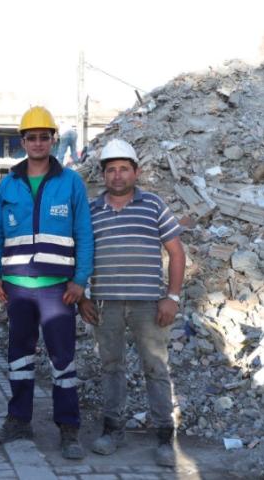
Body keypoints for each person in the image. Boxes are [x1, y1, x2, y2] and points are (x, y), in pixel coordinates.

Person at [0, 106, 93, 460]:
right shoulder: (9, 183)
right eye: (30, 137)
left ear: (52, 139)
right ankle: (19, 420)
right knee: (19, 356)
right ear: (22, 142)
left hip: (57, 289)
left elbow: (84, 233)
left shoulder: (71, 182)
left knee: (63, 359)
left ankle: (69, 427)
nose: (36, 143)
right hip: (17, 287)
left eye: (43, 137)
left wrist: (80, 280)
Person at [77, 139, 185, 468]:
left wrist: (172, 297)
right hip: (105, 303)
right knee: (111, 367)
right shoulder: (92, 210)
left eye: (124, 169)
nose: (118, 175)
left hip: (148, 305)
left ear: (135, 172)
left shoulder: (153, 205)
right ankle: (113, 430)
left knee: (155, 368)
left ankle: (165, 436)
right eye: (111, 170)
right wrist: (81, 296)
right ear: (104, 175)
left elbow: (177, 252)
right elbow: (80, 255)